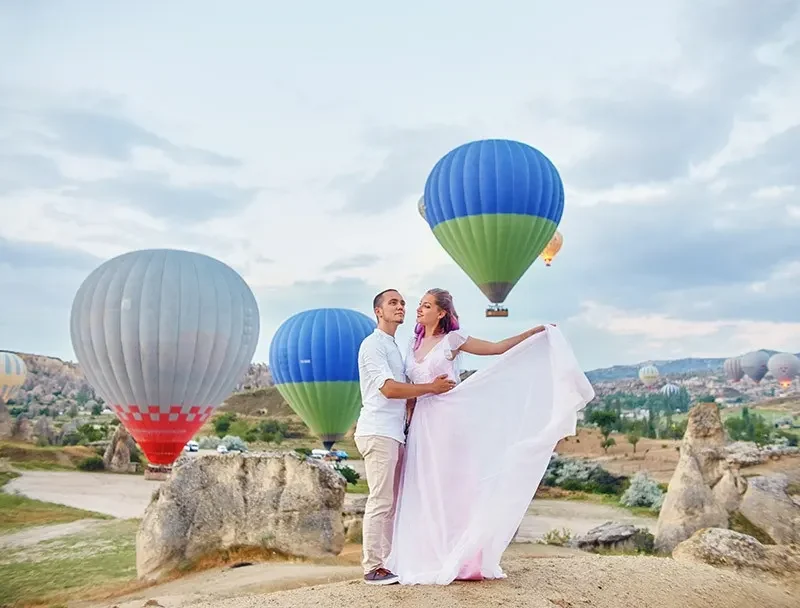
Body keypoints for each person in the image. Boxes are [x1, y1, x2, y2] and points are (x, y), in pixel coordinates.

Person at [385, 288, 595, 585]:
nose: (419, 309)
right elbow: (410, 387)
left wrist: (535, 333)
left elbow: (497, 349)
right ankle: (429, 555)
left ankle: (463, 556)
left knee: (451, 484)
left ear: (442, 312)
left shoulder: (453, 340)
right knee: (424, 485)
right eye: (419, 305)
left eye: (426, 305)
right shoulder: (412, 343)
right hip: (421, 421)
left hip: (447, 417)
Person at [354, 288, 457, 585]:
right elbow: (388, 389)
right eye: (392, 303)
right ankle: (373, 566)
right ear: (378, 311)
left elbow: (404, 395)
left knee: (394, 503)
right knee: (381, 500)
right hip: (378, 431)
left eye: (402, 303)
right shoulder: (373, 345)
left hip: (395, 433)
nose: (400, 307)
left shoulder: (395, 348)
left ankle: (388, 563)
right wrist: (430, 389)